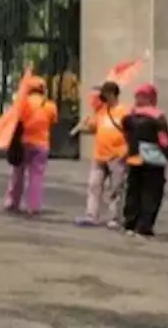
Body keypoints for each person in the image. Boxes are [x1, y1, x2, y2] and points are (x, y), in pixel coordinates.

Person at [121, 83, 168, 238]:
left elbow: (126, 135)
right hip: (153, 160)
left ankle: (130, 224)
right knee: (151, 193)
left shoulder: (129, 116)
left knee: (133, 190)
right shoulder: (157, 116)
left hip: (134, 158)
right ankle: (144, 226)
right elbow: (163, 140)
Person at [72, 82, 129, 228]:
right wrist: (87, 121)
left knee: (116, 188)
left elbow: (130, 132)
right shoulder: (101, 111)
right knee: (94, 185)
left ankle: (115, 217)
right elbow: (94, 127)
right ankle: (91, 214)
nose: (103, 99)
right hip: (99, 155)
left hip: (117, 155)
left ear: (113, 94)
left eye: (105, 95)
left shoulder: (124, 112)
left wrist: (126, 152)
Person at [4, 76, 58, 216]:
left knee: (17, 173)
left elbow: (14, 119)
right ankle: (33, 206)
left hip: (23, 142)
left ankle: (12, 202)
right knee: (36, 176)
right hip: (41, 144)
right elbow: (52, 121)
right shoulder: (50, 105)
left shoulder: (22, 103)